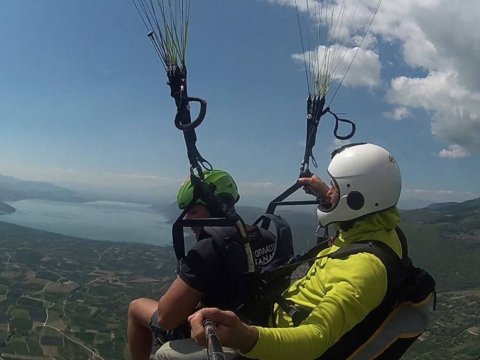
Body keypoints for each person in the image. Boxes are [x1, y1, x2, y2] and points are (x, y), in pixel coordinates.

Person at [186, 143, 406, 360]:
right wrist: (326, 195)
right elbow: (361, 207)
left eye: (335, 188)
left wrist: (244, 337)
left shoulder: (364, 269)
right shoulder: (380, 229)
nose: (330, 191)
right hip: (276, 318)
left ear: (357, 200)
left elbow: (315, 337)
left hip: (274, 342)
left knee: (167, 353)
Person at [128, 169, 281, 360]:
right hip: (258, 332)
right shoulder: (267, 236)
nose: (186, 219)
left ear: (215, 208)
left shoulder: (209, 249)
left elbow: (166, 318)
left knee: (136, 307)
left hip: (220, 336)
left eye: (193, 211)